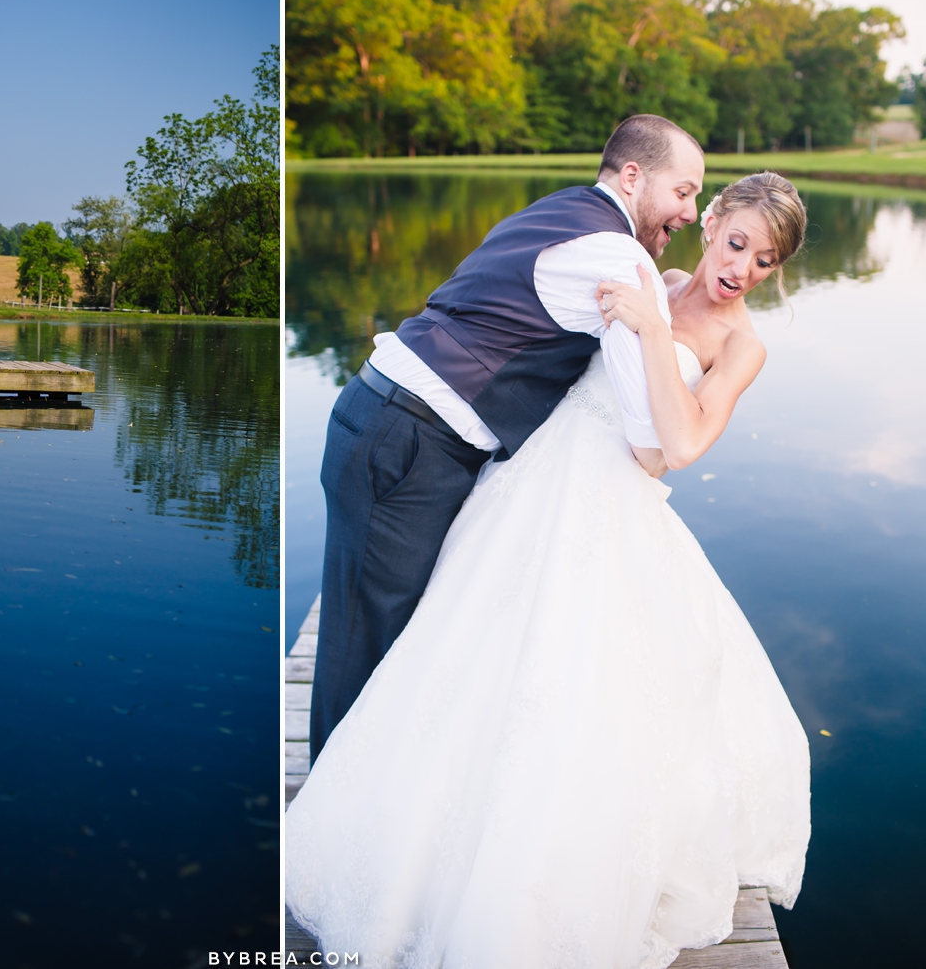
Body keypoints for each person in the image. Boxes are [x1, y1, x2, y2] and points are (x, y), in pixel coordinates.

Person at [286, 173, 812, 968]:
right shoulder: (653, 277)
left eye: (766, 262)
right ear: (711, 221)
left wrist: (647, 331)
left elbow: (677, 446)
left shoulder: (743, 345)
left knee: (568, 692)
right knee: (464, 657)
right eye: (738, 243)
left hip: (608, 506)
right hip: (530, 483)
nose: (743, 269)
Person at [311, 115, 705, 759]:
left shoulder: (560, 209)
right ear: (633, 176)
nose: (689, 211)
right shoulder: (620, 257)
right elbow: (646, 433)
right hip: (407, 442)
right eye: (683, 191)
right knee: (367, 654)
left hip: (388, 420)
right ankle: (322, 826)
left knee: (375, 637)